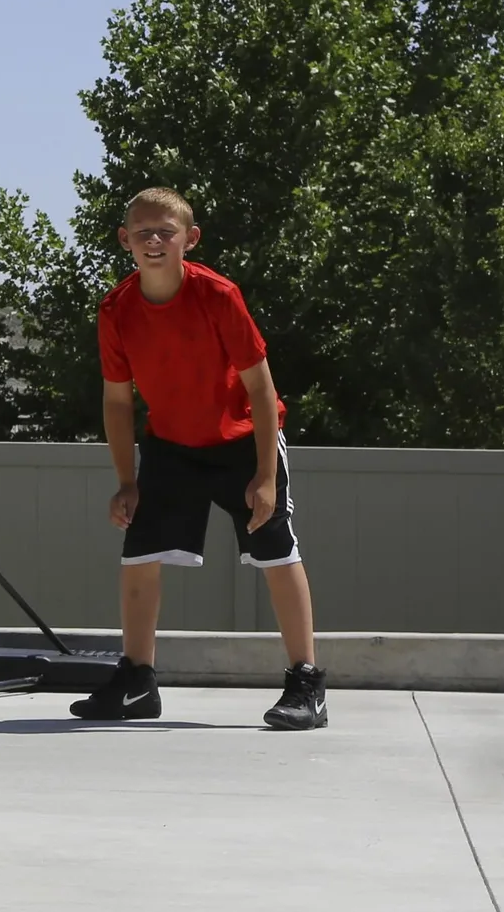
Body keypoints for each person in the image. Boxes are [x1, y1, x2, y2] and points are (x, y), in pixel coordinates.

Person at [74, 186, 326, 730]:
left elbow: (262, 389)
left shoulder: (218, 295)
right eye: (142, 232)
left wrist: (264, 476)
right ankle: (138, 681)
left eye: (166, 231)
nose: (154, 240)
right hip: (170, 448)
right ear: (126, 241)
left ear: (190, 238)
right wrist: (126, 480)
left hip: (241, 442)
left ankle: (307, 684)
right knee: (137, 555)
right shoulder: (116, 309)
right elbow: (117, 401)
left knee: (276, 553)